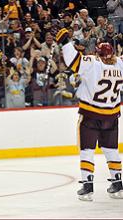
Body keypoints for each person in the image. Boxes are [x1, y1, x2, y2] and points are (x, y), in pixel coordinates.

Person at [57, 28, 123, 201]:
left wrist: (65, 42)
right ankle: (118, 183)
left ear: (98, 53)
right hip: (112, 116)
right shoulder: (121, 65)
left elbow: (73, 60)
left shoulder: (93, 63)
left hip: (91, 115)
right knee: (111, 150)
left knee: (87, 150)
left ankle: (87, 187)